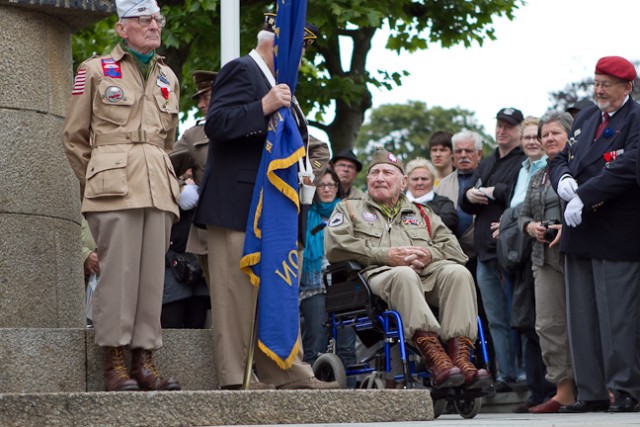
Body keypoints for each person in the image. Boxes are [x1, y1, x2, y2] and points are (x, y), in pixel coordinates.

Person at [193, 14, 336, 390]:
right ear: (275, 44)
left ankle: (286, 372)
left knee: (275, 292)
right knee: (236, 299)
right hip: (238, 204)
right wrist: (264, 105)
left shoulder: (279, 83)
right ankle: (237, 378)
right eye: (297, 51)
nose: (300, 60)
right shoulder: (242, 71)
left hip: (273, 209)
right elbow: (217, 124)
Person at [61, 0, 181, 392]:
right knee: (117, 275)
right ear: (121, 28)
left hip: (157, 185)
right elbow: (74, 137)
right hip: (113, 185)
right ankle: (114, 362)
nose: (153, 25)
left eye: (157, 19)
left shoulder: (167, 77)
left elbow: (169, 139)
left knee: (151, 277)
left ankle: (143, 359)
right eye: (143, 19)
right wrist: (95, 180)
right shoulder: (95, 70)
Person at [325, 147, 491, 390]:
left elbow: (456, 251)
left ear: (403, 182)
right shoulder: (350, 208)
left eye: (388, 173)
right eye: (375, 173)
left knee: (459, 273)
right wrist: (386, 255)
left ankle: (460, 359)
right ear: (368, 179)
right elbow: (336, 248)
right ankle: (435, 358)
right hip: (377, 278)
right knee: (403, 274)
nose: (380, 177)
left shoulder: (424, 213)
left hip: (427, 275)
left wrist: (429, 254)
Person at [550, 56, 640, 413]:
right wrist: (564, 181)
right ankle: (591, 391)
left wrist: (586, 194)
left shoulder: (636, 119)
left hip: (616, 228)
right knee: (582, 317)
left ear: (627, 87)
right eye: (596, 83)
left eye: (607, 84)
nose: (599, 90)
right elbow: (559, 158)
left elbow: (629, 165)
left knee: (618, 316)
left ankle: (627, 388)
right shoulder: (586, 116)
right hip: (579, 229)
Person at [460, 107, 526, 391]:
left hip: (511, 251)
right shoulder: (485, 163)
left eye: (509, 126)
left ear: (520, 130)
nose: (502, 131)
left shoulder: (524, 160)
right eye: (499, 125)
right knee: (496, 319)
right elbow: (465, 204)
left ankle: (524, 373)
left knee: (518, 315)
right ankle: (505, 374)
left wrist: (488, 191)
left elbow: (513, 194)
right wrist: (469, 194)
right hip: (484, 252)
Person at [518, 111, 576, 413]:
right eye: (545, 134)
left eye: (556, 133)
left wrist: (566, 227)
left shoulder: (580, 167)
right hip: (543, 257)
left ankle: (606, 386)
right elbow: (523, 215)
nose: (549, 138)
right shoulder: (539, 173)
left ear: (569, 136)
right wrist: (531, 227)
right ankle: (563, 390)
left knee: (585, 320)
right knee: (548, 324)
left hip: (577, 254)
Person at [498, 116, 554, 411]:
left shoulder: (551, 168)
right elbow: (516, 211)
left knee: (544, 323)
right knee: (525, 321)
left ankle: (552, 390)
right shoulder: (523, 170)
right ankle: (536, 392)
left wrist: (512, 221)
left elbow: (525, 210)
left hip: (542, 249)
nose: (533, 141)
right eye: (529, 136)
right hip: (517, 254)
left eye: (538, 136)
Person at [299, 168, 356, 385]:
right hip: (313, 286)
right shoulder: (305, 214)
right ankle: (312, 392)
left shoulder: (349, 213)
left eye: (331, 185)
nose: (327, 189)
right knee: (315, 342)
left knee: (347, 346)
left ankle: (350, 397)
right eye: (321, 185)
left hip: (344, 285)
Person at [170, 70, 217, 285]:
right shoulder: (194, 136)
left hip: (249, 226)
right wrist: (180, 187)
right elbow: (163, 166)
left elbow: (318, 152)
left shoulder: (254, 124)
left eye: (206, 97)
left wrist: (304, 179)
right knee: (220, 302)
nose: (200, 105)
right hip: (209, 231)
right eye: (199, 98)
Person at [405, 157, 458, 232]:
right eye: (415, 179)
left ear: (433, 181)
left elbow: (450, 223)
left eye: (424, 179)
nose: (419, 183)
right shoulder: (396, 203)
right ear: (406, 181)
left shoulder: (444, 204)